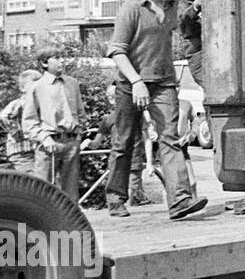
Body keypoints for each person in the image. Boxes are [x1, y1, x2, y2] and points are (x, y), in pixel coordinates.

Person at [106, 0, 206, 221]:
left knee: (170, 138)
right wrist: (136, 82)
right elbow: (117, 51)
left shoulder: (174, 4)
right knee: (124, 141)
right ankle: (116, 198)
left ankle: (180, 201)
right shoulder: (131, 8)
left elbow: (187, 21)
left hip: (163, 82)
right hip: (132, 84)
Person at [21, 47, 85, 202]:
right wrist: (45, 138)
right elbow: (28, 122)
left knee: (71, 195)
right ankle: (40, 225)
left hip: (71, 143)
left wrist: (78, 136)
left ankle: (69, 226)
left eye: (62, 57)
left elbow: (80, 113)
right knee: (43, 192)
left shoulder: (72, 83)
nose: (61, 61)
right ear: (44, 63)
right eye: (56, 57)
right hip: (49, 145)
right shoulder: (37, 87)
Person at [85, 84, 154, 206]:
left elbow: (147, 139)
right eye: (115, 97)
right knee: (117, 195)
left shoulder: (137, 116)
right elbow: (96, 144)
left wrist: (149, 163)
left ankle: (131, 213)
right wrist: (87, 143)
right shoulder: (108, 119)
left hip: (134, 162)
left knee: (131, 193)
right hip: (116, 164)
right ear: (111, 100)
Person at [0, 69, 42, 175]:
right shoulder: (21, 103)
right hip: (22, 152)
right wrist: (17, 132)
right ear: (23, 88)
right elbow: (4, 117)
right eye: (35, 81)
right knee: (34, 182)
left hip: (38, 151)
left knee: (51, 182)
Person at [177, 0, 203, 87]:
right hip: (196, 52)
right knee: (210, 85)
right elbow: (183, 18)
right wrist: (195, 7)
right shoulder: (179, 2)